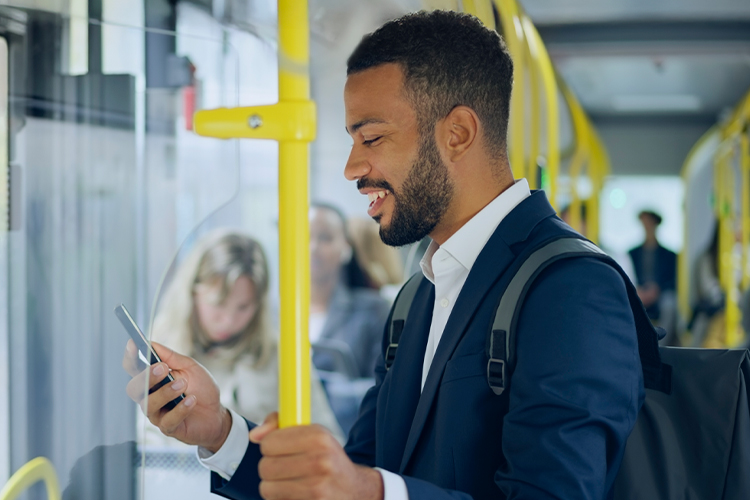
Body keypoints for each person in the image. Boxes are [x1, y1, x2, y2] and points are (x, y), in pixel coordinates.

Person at [123, 11, 643, 500]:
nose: (352, 167)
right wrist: (218, 430)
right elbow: (350, 476)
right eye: (352, 139)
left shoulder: (574, 288)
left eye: (371, 137)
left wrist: (371, 491)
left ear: (457, 133)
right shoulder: (420, 291)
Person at [143, 229, 342, 444]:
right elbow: (143, 443)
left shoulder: (281, 355)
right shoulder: (159, 349)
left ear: (259, 305)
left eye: (243, 307)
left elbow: (329, 441)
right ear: (192, 292)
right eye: (218, 303)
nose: (228, 320)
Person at [309, 203, 391, 380]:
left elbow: (380, 388)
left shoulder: (373, 311)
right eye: (305, 237)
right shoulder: (273, 313)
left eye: (325, 238)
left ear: (346, 247)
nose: (313, 247)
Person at [629, 210, 678, 342]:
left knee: (670, 304)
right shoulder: (632, 254)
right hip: (638, 293)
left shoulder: (669, 255)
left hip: (661, 294)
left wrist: (657, 290)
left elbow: (673, 280)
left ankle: (660, 345)